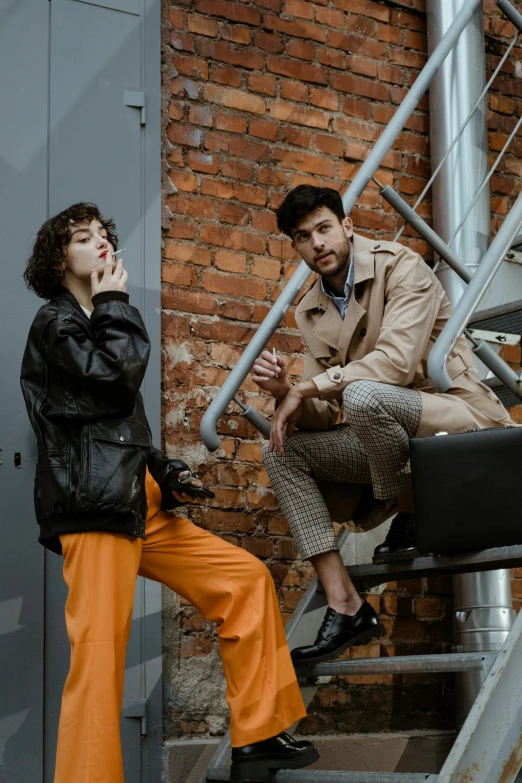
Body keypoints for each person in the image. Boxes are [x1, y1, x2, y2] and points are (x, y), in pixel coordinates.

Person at [20, 202, 318, 783]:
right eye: (84, 238)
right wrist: (114, 305)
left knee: (244, 580)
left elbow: (110, 421)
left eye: (105, 234)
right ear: (60, 259)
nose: (101, 243)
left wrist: (164, 469)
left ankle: (257, 737)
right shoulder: (56, 324)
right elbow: (111, 384)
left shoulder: (96, 320)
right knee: (99, 661)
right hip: (93, 509)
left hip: (136, 499)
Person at [252, 184, 514, 667]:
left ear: (347, 226)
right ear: (296, 246)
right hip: (388, 437)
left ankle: (412, 508)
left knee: (363, 393)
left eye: (325, 228)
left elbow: (391, 366)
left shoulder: (402, 266)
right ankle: (346, 604)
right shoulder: (309, 308)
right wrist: (286, 391)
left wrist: (310, 389)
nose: (318, 243)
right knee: (280, 449)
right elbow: (327, 412)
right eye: (304, 237)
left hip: (453, 416)